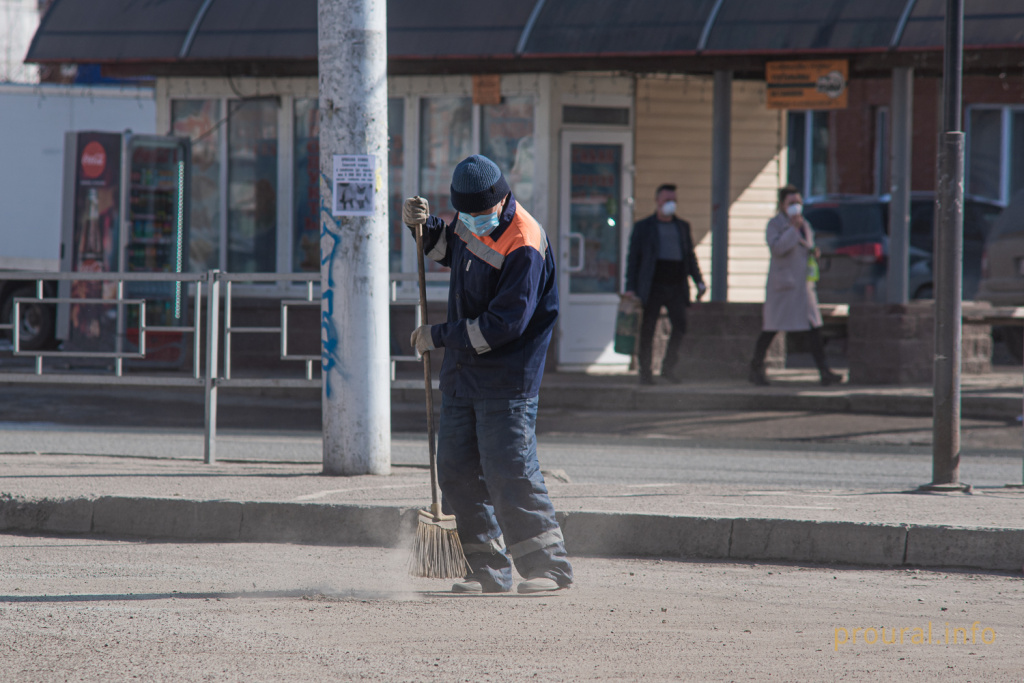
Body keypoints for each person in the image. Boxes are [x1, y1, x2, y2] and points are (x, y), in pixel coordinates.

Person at [402, 154, 573, 595]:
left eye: (479, 214)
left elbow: (505, 325)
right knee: (456, 469)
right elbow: (452, 250)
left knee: (509, 470)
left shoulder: (525, 242)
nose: (472, 222)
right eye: (464, 215)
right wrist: (423, 229)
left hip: (507, 378)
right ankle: (485, 568)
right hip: (463, 374)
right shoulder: (468, 220)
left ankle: (547, 568)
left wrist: (438, 336)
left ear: (500, 201)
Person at [749, 185, 842, 386]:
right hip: (784, 286)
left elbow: (806, 245)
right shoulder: (775, 225)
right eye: (791, 203)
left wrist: (813, 251)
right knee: (772, 328)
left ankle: (824, 371)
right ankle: (755, 367)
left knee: (814, 328)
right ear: (782, 205)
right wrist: (792, 229)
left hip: (803, 286)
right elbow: (778, 248)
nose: (795, 207)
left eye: (798, 203)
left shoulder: (805, 225)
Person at [625, 184, 706, 385]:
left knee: (680, 325)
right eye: (667, 200)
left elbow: (690, 257)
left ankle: (668, 367)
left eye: (674, 201)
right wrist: (631, 287)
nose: (671, 204)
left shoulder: (682, 226)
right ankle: (646, 372)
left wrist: (699, 281)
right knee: (648, 329)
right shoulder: (644, 227)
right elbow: (633, 259)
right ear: (657, 201)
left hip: (677, 284)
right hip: (653, 285)